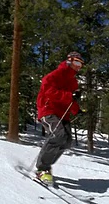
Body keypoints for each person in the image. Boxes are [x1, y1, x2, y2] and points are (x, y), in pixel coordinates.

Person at [34, 51, 85, 186]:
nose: (78, 67)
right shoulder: (55, 75)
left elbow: (70, 99)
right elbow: (49, 91)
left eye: (80, 64)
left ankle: (47, 166)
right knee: (58, 135)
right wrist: (69, 95)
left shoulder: (73, 81)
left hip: (63, 114)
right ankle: (42, 168)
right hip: (48, 110)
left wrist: (76, 109)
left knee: (67, 141)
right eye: (76, 62)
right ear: (69, 61)